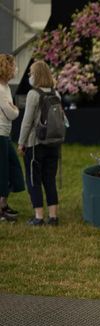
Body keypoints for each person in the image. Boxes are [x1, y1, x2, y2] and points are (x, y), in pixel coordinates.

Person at [17, 60, 61, 226]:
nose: (29, 76)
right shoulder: (56, 94)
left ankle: (39, 217)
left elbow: (27, 122)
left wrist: (21, 143)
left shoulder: (33, 94)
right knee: (50, 179)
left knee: (33, 180)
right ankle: (53, 216)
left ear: (36, 75)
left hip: (35, 143)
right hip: (53, 143)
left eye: (31, 73)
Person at [0, 54, 25, 222]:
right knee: (3, 171)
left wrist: (13, 110)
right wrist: (15, 110)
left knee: (12, 169)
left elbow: (11, 111)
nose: (15, 69)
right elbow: (12, 112)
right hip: (0, 134)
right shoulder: (1, 90)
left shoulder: (6, 87)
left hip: (5, 134)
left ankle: (3, 204)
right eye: (13, 66)